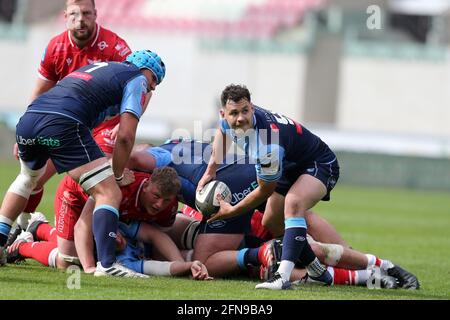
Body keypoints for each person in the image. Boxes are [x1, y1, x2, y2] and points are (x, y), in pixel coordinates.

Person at [0, 50, 166, 280]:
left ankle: (1, 242)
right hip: (63, 123)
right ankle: (107, 265)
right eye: (155, 79)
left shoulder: (100, 68)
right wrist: (117, 175)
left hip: (29, 120)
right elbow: (126, 137)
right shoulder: (136, 78)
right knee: (109, 192)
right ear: (144, 69)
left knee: (27, 178)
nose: (153, 88)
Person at [196, 84, 340, 289]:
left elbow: (265, 190)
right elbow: (222, 130)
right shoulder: (229, 121)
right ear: (223, 113)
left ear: (252, 108)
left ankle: (282, 277)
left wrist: (233, 211)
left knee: (294, 203)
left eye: (245, 111)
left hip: (319, 164)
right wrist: (211, 170)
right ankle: (316, 270)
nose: (240, 118)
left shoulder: (267, 145)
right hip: (289, 165)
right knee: (272, 221)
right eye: (234, 113)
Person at [11, 0, 132, 234]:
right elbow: (40, 92)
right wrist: (24, 132)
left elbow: (140, 88)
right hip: (61, 126)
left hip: (103, 127)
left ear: (96, 15)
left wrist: (123, 122)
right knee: (32, 179)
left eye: (86, 13)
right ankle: (24, 227)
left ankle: (89, 241)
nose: (80, 20)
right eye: (74, 14)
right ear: (65, 15)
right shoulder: (55, 47)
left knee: (101, 185)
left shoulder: (116, 47)